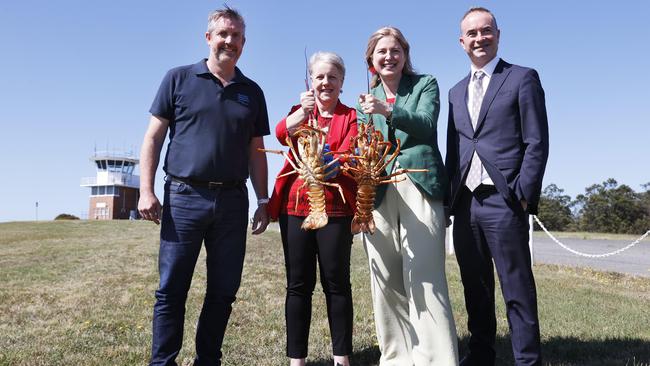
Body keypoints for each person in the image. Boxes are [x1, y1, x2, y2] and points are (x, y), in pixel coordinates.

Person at [137, 6, 270, 366]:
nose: (230, 41)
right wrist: (145, 190)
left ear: (244, 43)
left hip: (232, 200)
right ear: (208, 37)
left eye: (236, 36)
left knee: (224, 290)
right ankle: (162, 362)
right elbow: (153, 137)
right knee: (171, 289)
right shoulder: (178, 78)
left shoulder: (252, 92)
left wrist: (263, 198)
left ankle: (207, 360)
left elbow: (256, 152)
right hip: (183, 197)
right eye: (223, 34)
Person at [445, 7, 549, 366]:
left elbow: (537, 142)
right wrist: (448, 203)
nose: (479, 39)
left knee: (517, 289)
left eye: (485, 31)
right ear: (461, 42)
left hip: (505, 202)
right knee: (475, 289)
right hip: (465, 205)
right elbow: (453, 150)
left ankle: (527, 360)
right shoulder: (456, 92)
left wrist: (523, 195)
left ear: (498, 34)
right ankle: (481, 356)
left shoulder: (522, 78)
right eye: (471, 34)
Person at [357, 26, 459, 366]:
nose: (389, 56)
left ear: (405, 55)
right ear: (371, 59)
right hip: (379, 192)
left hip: (420, 184)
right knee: (385, 278)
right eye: (381, 51)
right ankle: (397, 357)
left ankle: (436, 359)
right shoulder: (364, 101)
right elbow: (363, 147)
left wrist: (387, 111)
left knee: (425, 274)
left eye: (395, 50)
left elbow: (427, 123)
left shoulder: (425, 84)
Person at [267, 51, 358, 366]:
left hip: (336, 209)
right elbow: (280, 134)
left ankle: (342, 356)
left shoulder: (351, 117)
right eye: (319, 77)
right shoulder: (299, 112)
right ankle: (297, 359)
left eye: (332, 77)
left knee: (337, 282)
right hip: (295, 208)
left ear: (342, 82)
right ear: (310, 81)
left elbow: (351, 156)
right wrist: (298, 115)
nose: (326, 83)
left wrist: (334, 163)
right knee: (298, 284)